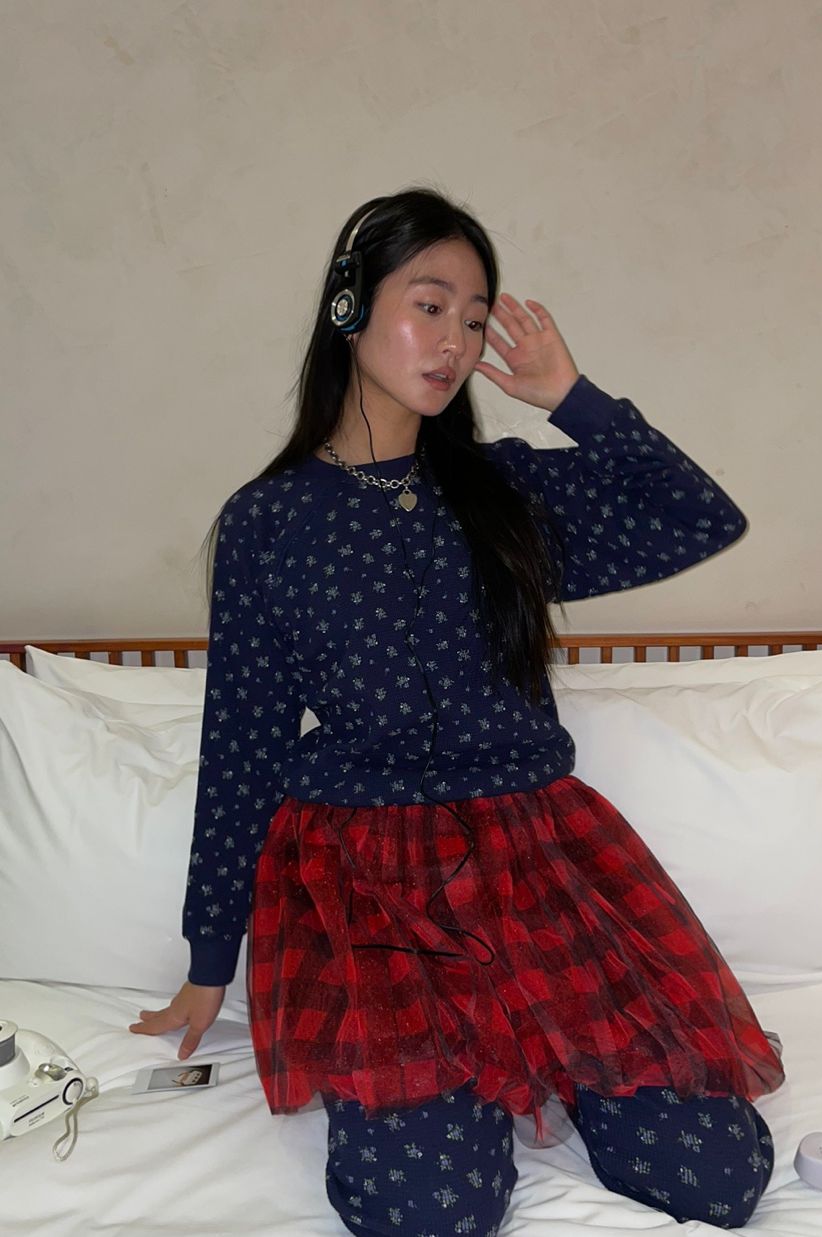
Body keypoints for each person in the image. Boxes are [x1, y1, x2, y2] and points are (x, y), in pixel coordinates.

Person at [130, 186, 785, 1234]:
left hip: (537, 862)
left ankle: (560, 1061)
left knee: (716, 1175)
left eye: (474, 319)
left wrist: (571, 398)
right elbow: (243, 746)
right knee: (429, 1209)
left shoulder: (503, 492)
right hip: (369, 888)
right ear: (349, 308)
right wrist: (209, 962)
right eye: (429, 305)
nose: (455, 341)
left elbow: (700, 518)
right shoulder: (269, 521)